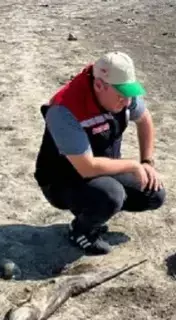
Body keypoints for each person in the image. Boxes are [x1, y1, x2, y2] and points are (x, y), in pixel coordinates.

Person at [34, 51, 166, 255]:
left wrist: (147, 162)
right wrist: (133, 165)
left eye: (129, 93)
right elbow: (87, 168)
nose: (127, 101)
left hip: (103, 168)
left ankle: (94, 208)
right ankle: (80, 230)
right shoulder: (64, 110)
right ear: (99, 85)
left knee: (154, 194)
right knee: (111, 195)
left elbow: (145, 120)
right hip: (62, 179)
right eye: (121, 95)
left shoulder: (123, 95)